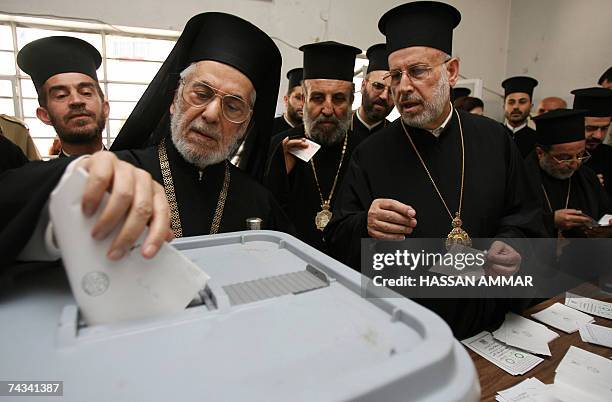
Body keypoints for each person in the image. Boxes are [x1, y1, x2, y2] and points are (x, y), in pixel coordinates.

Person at [0, 12, 292, 267]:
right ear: (174, 100)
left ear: (246, 126)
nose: (212, 114)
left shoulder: (259, 200)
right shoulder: (117, 172)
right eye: (201, 94)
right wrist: (75, 177)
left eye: (233, 106)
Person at [324, 1, 544, 339]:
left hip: (487, 327)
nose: (403, 86)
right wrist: (366, 226)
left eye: (418, 71)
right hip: (403, 331)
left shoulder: (494, 141)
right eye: (395, 75)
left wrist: (512, 245)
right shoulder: (370, 154)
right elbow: (337, 235)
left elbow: (525, 217)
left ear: (452, 71)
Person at [265, 41, 364, 252]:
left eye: (338, 99)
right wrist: (280, 172)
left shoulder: (364, 152)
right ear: (304, 101)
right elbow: (265, 217)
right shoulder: (277, 147)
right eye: (318, 98)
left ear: (351, 101)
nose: (327, 109)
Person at [525, 109, 611, 238]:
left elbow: (605, 213)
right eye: (565, 157)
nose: (575, 164)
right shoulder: (520, 178)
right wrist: (550, 221)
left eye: (580, 155)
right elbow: (510, 221)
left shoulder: (587, 176)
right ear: (540, 153)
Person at [17, 36, 108, 157]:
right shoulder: (36, 176)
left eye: (86, 92)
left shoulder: (136, 170)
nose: (76, 101)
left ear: (105, 108)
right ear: (45, 115)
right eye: (61, 96)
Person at [571, 87, 612, 199]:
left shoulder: (609, 155)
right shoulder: (554, 155)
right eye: (590, 128)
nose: (598, 136)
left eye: (604, 128)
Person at [351, 43, 394, 138]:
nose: (384, 96)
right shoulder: (337, 130)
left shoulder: (399, 137)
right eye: (378, 86)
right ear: (363, 86)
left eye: (392, 92)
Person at [501, 75, 538, 157]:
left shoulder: (538, 140)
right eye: (511, 102)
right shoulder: (494, 135)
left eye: (522, 102)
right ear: (504, 106)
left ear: (531, 107)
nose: (515, 107)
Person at [271, 68, 304, 136]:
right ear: (286, 99)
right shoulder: (269, 128)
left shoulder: (315, 132)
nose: (303, 104)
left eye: (308, 99)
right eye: (298, 98)